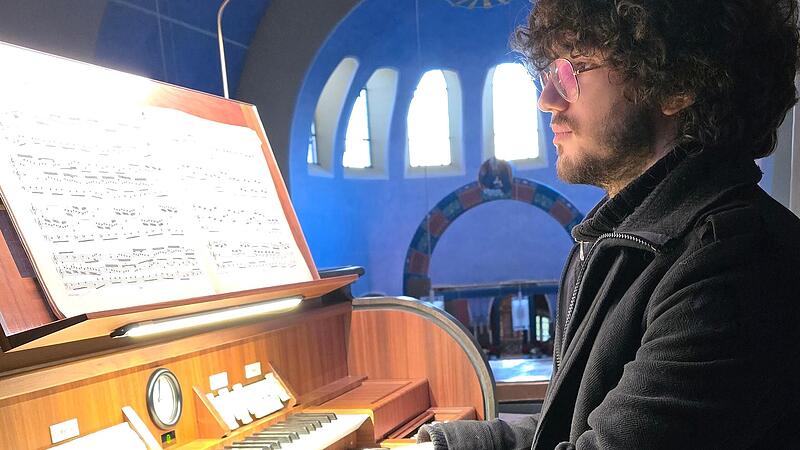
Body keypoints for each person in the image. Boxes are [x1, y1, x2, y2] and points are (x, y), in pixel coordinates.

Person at [415, 0, 800, 448]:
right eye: (550, 72)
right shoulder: (621, 240)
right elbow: (574, 424)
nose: (547, 100)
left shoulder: (730, 264)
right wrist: (441, 443)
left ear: (677, 84)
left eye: (576, 69)